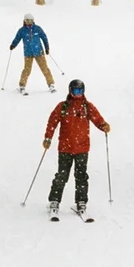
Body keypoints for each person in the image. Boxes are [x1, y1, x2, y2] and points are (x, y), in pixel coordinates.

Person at [44, 79, 110, 220]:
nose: (78, 94)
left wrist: (103, 125)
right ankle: (54, 201)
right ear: (70, 91)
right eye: (75, 91)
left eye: (80, 91)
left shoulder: (87, 106)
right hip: (65, 148)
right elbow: (52, 121)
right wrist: (48, 137)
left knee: (81, 176)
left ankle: (81, 202)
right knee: (62, 176)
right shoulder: (63, 107)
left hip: (82, 148)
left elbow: (97, 119)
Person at [11, 13, 55, 94]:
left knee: (44, 68)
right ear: (24, 21)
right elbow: (17, 38)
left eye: (31, 20)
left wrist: (47, 47)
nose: (29, 22)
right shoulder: (22, 30)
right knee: (27, 70)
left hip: (39, 52)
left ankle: (51, 84)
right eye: (27, 20)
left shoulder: (37, 29)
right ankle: (22, 85)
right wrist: (13, 45)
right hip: (28, 53)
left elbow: (44, 37)